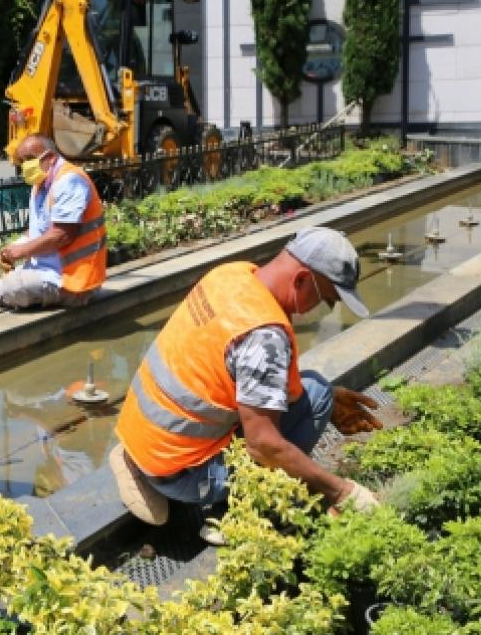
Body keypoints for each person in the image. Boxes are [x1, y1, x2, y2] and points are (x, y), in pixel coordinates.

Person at [109, 227, 384, 536]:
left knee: (320, 392)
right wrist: (339, 491)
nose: (328, 309)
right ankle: (233, 512)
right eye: (329, 299)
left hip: (144, 438)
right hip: (183, 475)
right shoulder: (264, 337)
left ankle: (138, 460)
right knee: (314, 397)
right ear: (302, 280)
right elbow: (263, 446)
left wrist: (331, 398)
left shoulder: (230, 275)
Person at [0, 134, 106, 309]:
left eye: (29, 159)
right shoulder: (40, 184)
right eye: (22, 161)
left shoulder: (70, 181)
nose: (25, 166)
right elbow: (38, 231)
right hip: (48, 271)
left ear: (51, 157)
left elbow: (62, 235)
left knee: (6, 289)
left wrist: (21, 251)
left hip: (71, 280)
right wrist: (13, 247)